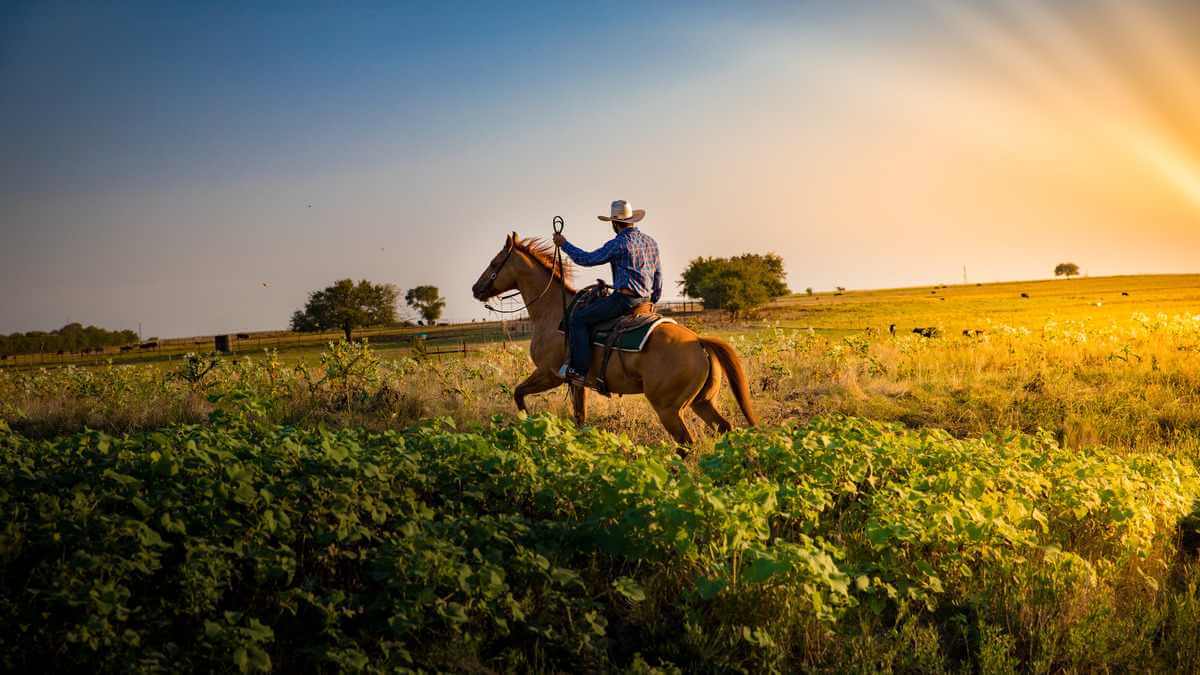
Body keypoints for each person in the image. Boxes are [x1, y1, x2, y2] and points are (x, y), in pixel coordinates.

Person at [552, 199, 663, 385]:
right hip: (645, 303)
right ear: (632, 220)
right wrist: (653, 300)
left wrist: (564, 244)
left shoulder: (618, 243)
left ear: (614, 223)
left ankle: (578, 371)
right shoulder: (651, 242)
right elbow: (658, 277)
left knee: (578, 319)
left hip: (624, 301)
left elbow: (586, 259)